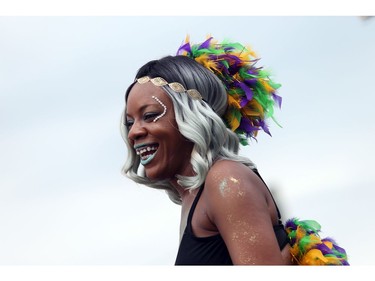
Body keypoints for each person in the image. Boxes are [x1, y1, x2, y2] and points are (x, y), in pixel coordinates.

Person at [120, 36, 349, 265]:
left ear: (194, 115)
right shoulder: (196, 197)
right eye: (130, 122)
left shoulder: (227, 181)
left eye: (149, 116)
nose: (134, 133)